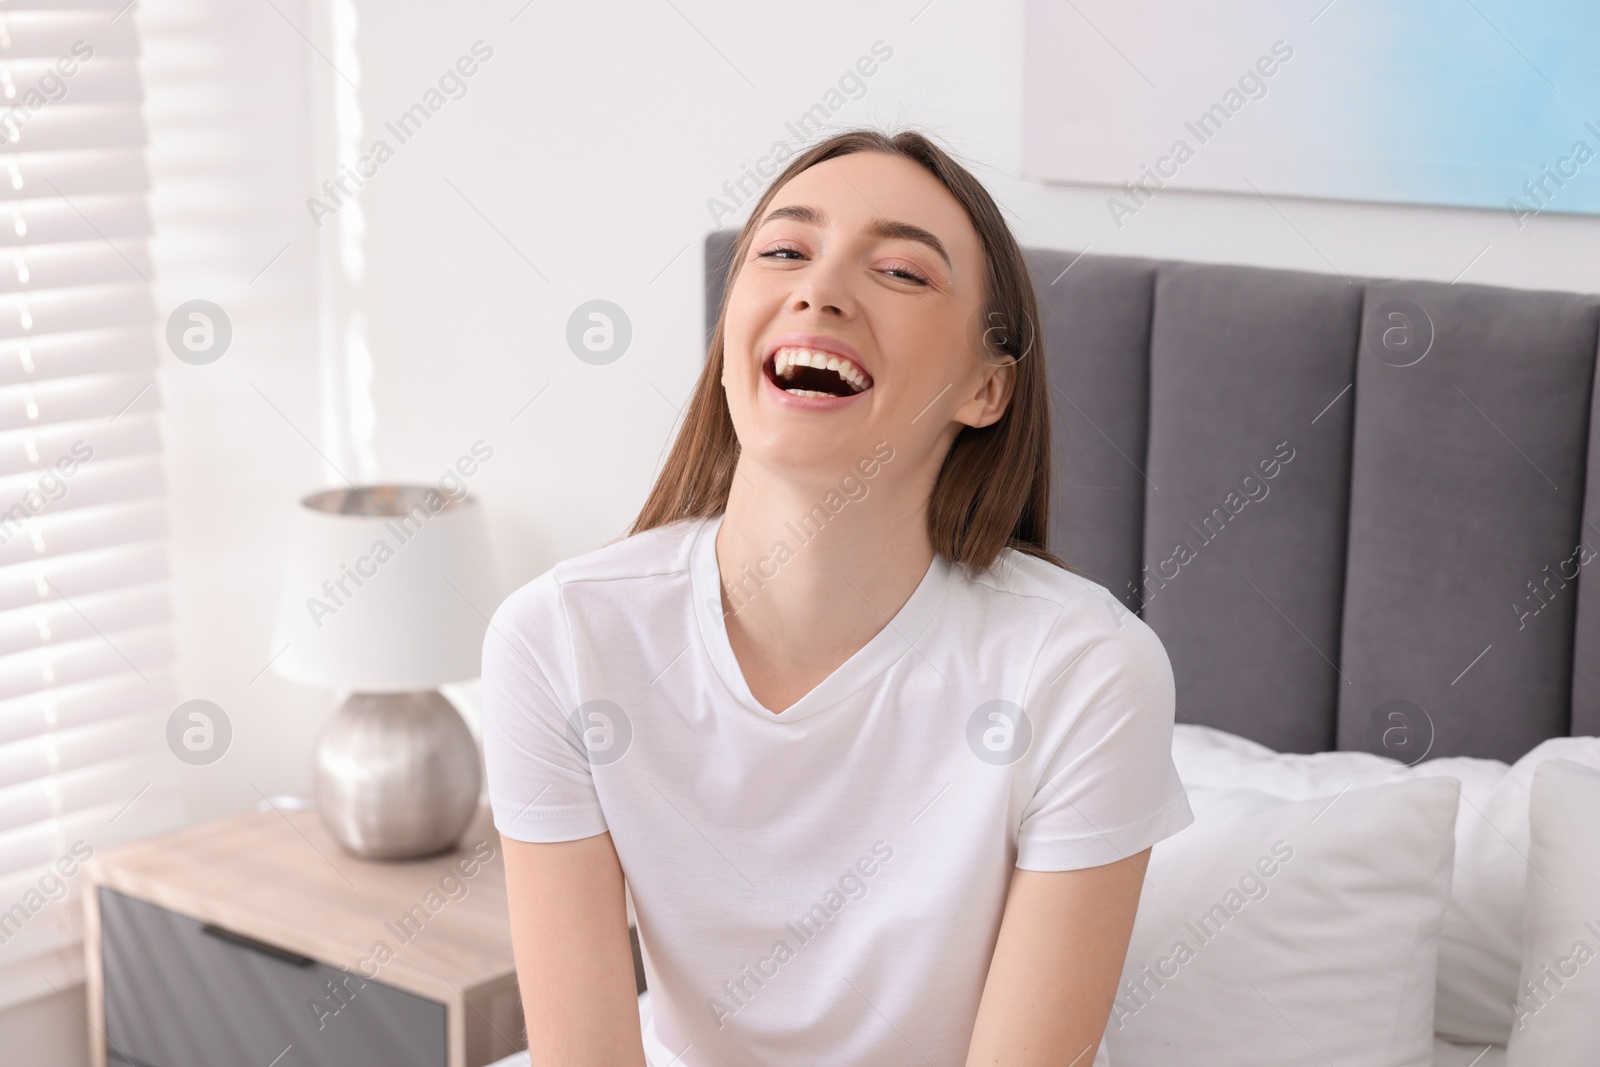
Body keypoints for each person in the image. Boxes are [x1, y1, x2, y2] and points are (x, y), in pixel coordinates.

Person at [481, 127, 1193, 1067]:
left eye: (900, 271)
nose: (818, 290)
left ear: (986, 387)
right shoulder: (562, 637)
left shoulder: (1083, 669)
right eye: (783, 251)